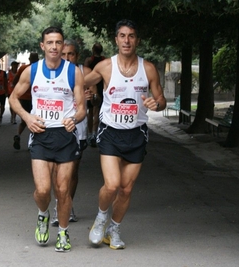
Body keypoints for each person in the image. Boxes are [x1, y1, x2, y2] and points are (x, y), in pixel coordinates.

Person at [85, 19, 167, 250]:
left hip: (137, 134)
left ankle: (114, 229)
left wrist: (156, 104)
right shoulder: (105, 67)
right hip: (110, 131)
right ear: (116, 40)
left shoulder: (148, 68)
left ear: (137, 40)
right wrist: (83, 95)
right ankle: (100, 220)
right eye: (122, 35)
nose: (127, 40)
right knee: (111, 185)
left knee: (126, 188)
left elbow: (161, 100)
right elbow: (80, 83)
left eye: (131, 36)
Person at [9, 27, 86, 252]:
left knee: (62, 190)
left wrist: (74, 118)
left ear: (63, 46)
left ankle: (63, 232)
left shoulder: (74, 72)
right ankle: (43, 215)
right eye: (49, 42)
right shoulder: (31, 71)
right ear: (42, 46)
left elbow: (82, 108)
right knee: (43, 190)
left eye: (58, 42)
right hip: (41, 135)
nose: (54, 46)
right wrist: (26, 116)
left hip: (65, 136)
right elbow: (13, 98)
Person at [50, 39, 93, 226]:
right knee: (55, 171)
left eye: (71, 54)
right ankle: (59, 204)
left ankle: (68, 205)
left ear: (77, 56)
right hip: (54, 127)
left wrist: (91, 97)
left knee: (72, 171)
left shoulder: (85, 73)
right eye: (64, 53)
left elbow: (98, 96)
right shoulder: (51, 71)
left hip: (78, 129)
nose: (67, 57)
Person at [12, 52, 39, 150]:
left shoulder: (23, 68)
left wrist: (18, 90)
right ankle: (31, 142)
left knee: (24, 120)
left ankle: (18, 135)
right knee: (35, 120)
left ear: (29, 59)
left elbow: (14, 81)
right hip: (34, 99)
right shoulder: (40, 69)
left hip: (24, 98)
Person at [84, 43, 105, 147]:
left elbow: (85, 73)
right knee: (96, 111)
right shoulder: (104, 61)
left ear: (93, 49)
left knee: (90, 112)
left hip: (90, 86)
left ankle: (89, 134)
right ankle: (94, 134)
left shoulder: (89, 60)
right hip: (100, 87)